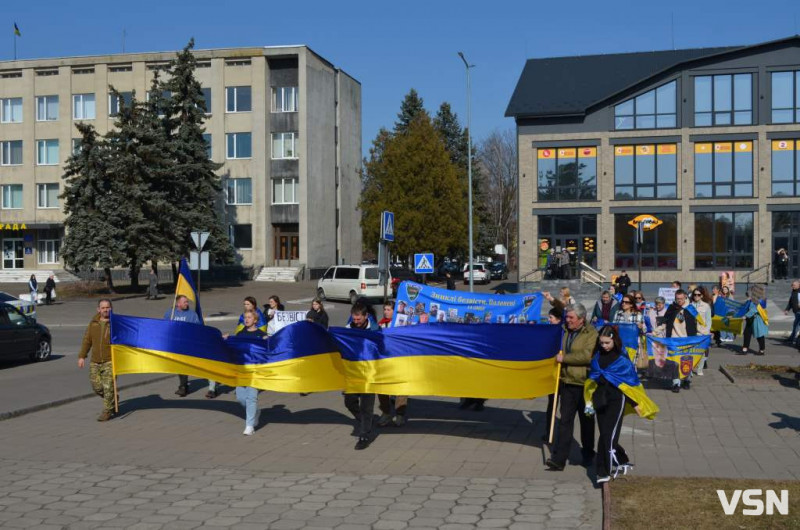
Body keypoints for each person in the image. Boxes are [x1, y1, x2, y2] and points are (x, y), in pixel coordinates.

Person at [584, 326, 643, 483]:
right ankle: (622, 459)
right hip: (600, 399)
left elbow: (629, 383)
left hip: (617, 399)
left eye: (607, 343)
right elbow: (592, 378)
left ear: (614, 341)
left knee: (607, 436)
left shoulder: (622, 360)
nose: (604, 346)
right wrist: (589, 399)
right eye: (601, 343)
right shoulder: (596, 357)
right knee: (606, 434)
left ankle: (603, 471)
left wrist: (635, 403)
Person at [545, 303, 597, 471]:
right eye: (566, 317)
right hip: (567, 383)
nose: (567, 320)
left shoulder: (591, 334)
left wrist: (564, 358)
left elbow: (587, 356)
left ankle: (588, 453)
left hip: (585, 385)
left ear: (581, 319)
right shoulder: (564, 331)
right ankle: (559, 459)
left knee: (587, 422)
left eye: (571, 318)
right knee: (565, 422)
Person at [345, 301, 380, 450]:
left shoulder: (376, 330)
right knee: (349, 402)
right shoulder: (348, 329)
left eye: (359, 319)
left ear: (366, 316)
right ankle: (367, 420)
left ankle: (364, 435)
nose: (356, 321)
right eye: (354, 318)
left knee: (366, 406)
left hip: (370, 374)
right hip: (353, 373)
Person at [226, 310, 266, 435]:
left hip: (254, 372)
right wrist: (227, 339)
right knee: (241, 398)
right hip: (242, 370)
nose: (246, 319)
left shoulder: (261, 335)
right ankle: (256, 412)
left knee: (251, 398)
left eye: (249, 317)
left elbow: (268, 348)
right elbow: (233, 348)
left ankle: (249, 426)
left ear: (255, 320)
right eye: (245, 317)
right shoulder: (240, 334)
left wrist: (268, 340)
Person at [77, 299, 116, 421]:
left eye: (107, 307)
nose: (105, 310)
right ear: (98, 309)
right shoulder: (93, 323)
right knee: (97, 387)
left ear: (111, 308)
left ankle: (107, 411)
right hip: (95, 361)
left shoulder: (116, 323)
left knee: (108, 386)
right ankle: (112, 399)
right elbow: (87, 340)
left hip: (110, 361)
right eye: (103, 308)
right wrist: (82, 356)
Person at [376, 303, 409, 427]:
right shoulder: (380, 324)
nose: (385, 312)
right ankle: (386, 413)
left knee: (401, 388)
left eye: (388, 309)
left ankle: (400, 414)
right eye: (384, 309)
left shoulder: (402, 324)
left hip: (400, 361)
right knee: (381, 388)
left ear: (395, 311)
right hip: (385, 362)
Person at [165, 295, 201, 397]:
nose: (187, 304)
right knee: (178, 366)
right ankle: (184, 385)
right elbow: (164, 326)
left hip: (186, 344)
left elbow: (197, 329)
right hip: (175, 344)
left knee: (183, 365)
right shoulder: (170, 313)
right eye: (184, 302)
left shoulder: (192, 315)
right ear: (178, 304)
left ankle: (183, 387)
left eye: (187, 302)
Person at [663, 290, 697, 392]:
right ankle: (676, 384)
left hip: (687, 340)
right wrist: (655, 332)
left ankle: (686, 380)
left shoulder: (691, 308)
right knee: (674, 362)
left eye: (681, 299)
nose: (679, 301)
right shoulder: (672, 308)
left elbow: (699, 323)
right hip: (673, 340)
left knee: (686, 362)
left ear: (685, 297)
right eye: (677, 299)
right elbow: (664, 322)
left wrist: (705, 333)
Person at [543, 308, 562, 442]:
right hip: (552, 374)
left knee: (564, 407)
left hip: (564, 374)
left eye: (551, 317)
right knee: (552, 404)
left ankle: (561, 433)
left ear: (559, 319)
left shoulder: (563, 331)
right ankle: (549, 430)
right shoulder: (548, 331)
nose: (549, 320)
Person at [740, 286, 768, 356]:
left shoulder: (760, 300)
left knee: (759, 335)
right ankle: (745, 348)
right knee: (747, 334)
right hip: (750, 319)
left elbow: (754, 309)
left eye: (752, 291)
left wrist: (746, 316)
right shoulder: (752, 299)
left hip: (757, 319)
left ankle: (762, 350)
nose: (750, 292)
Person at [691, 286, 713, 375]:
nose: (696, 296)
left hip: (702, 332)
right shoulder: (689, 305)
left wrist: (707, 332)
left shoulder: (706, 306)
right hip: (691, 332)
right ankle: (690, 369)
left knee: (701, 352)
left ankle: (700, 369)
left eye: (698, 294)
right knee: (691, 352)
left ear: (702, 296)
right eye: (695, 294)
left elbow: (708, 321)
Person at [784, 280, 800, 346]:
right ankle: (792, 338)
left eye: (794, 285)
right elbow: (791, 301)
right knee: (795, 325)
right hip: (796, 312)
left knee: (796, 326)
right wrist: (787, 309)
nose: (792, 286)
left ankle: (794, 339)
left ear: (799, 285)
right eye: (792, 285)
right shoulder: (793, 291)